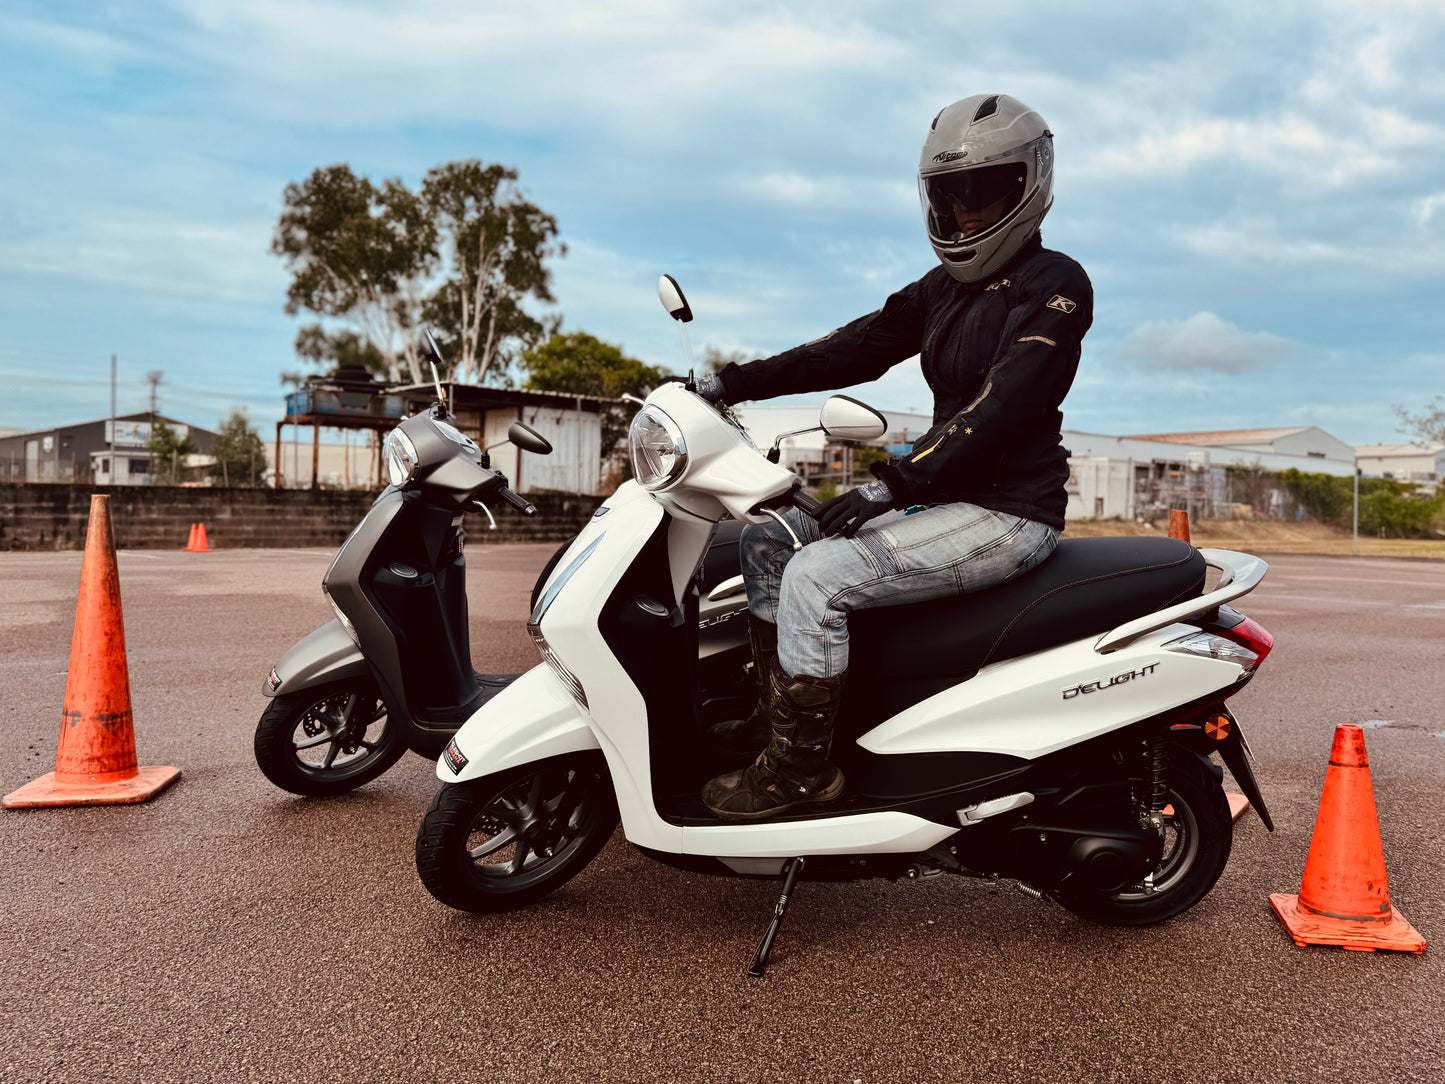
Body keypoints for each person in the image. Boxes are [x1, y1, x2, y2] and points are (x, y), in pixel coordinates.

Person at [693, 93, 1094, 822]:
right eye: (950, 196)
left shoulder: (1055, 285)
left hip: (1009, 512)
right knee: (768, 541)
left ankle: (802, 773)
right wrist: (729, 383)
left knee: (817, 575)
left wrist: (893, 485)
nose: (964, 214)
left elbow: (1003, 404)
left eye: (982, 193)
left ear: (1028, 186)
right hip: (944, 498)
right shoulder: (942, 290)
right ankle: (778, 723)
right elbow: (850, 348)